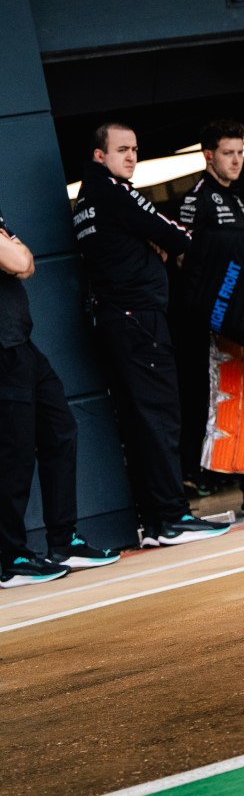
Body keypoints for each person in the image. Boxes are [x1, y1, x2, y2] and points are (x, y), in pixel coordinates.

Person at [72, 123, 231, 546]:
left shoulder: (85, 201)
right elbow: (173, 233)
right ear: (98, 156)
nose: (131, 157)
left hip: (115, 321)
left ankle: (158, 521)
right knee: (160, 417)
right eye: (122, 149)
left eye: (135, 150)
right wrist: (162, 243)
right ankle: (174, 518)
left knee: (142, 422)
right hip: (138, 320)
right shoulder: (113, 191)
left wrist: (148, 244)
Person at [1, 206, 121, 587]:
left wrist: (15, 253)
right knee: (14, 454)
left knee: (60, 431)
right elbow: (18, 259)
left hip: (22, 344)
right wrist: (14, 252)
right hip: (2, 351)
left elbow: (25, 264)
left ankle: (63, 541)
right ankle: (10, 557)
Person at [174, 119, 244, 515]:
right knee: (219, 402)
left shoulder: (235, 199)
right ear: (209, 156)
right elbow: (185, 258)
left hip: (241, 315)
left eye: (241, 152)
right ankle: (229, 486)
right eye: (228, 153)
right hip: (210, 321)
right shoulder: (198, 198)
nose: (237, 160)